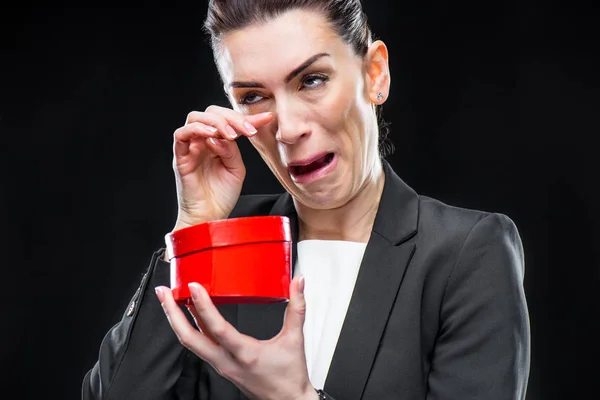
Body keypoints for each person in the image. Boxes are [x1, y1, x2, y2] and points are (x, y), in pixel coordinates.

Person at [81, 0, 531, 399]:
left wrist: (293, 397)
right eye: (253, 97)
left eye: (312, 80)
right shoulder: (221, 241)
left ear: (375, 74)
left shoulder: (468, 253)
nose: (289, 128)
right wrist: (192, 229)